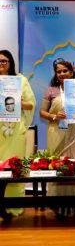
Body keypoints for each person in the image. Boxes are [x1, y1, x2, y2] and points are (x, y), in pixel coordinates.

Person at [39, 59, 75, 218]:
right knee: (58, 166)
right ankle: (57, 204)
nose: (62, 74)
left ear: (71, 72)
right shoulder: (51, 90)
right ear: (56, 74)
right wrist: (53, 116)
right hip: (57, 132)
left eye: (65, 71)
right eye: (59, 71)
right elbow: (42, 113)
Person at [0, 50, 36, 218]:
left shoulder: (21, 80)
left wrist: (19, 102)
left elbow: (31, 105)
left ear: (11, 63)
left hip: (15, 132)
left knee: (13, 167)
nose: (1, 64)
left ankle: (13, 206)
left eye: (4, 61)